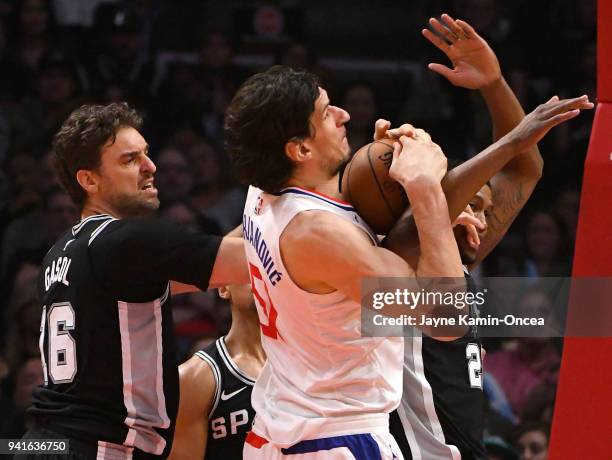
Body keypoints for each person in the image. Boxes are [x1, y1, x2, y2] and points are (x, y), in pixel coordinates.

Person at [226, 64, 466, 459]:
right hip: (337, 438)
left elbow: (345, 226)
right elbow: (446, 319)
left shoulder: (260, 194)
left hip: (282, 429)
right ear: (300, 149)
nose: (344, 115)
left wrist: (373, 176)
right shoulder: (316, 235)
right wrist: (425, 190)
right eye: (326, 112)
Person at [388, 14, 592, 459]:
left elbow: (526, 169)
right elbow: (429, 207)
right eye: (472, 206)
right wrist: (513, 138)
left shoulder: (460, 262)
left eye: (485, 208)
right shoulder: (400, 262)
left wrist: (494, 84)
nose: (483, 220)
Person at [22, 102, 248, 459]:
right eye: (130, 160)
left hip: (45, 442)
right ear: (89, 179)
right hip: (98, 447)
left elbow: (217, 260)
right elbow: (260, 259)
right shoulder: (127, 241)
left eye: (146, 154)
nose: (150, 167)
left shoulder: (63, 252)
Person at [169, 283, 265, 459]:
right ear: (223, 288)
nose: (258, 277)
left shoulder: (308, 365)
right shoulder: (194, 379)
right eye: (248, 269)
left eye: (262, 268)